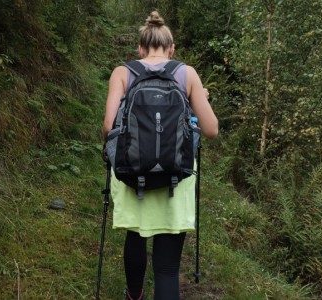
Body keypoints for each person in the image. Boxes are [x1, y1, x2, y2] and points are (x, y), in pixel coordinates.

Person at [102, 11, 218, 300]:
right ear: (171, 48)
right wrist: (197, 98)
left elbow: (108, 126)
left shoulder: (123, 72)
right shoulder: (186, 73)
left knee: (136, 235)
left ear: (140, 48)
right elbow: (212, 129)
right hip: (175, 177)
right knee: (167, 268)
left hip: (133, 172)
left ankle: (135, 295)